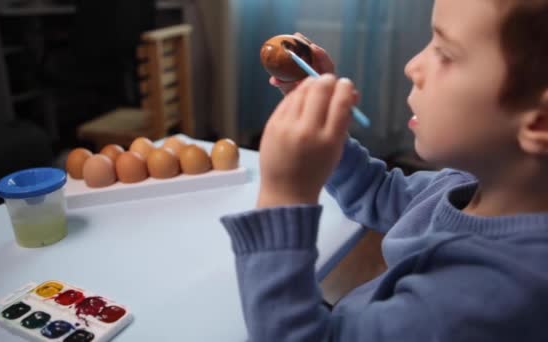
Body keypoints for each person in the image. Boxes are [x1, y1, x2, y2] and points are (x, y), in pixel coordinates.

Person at [219, 0, 548, 340]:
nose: (412, 66)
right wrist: (327, 132)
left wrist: (283, 196)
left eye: (446, 53)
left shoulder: (480, 298)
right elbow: (379, 193)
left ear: (539, 121)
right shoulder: (476, 184)